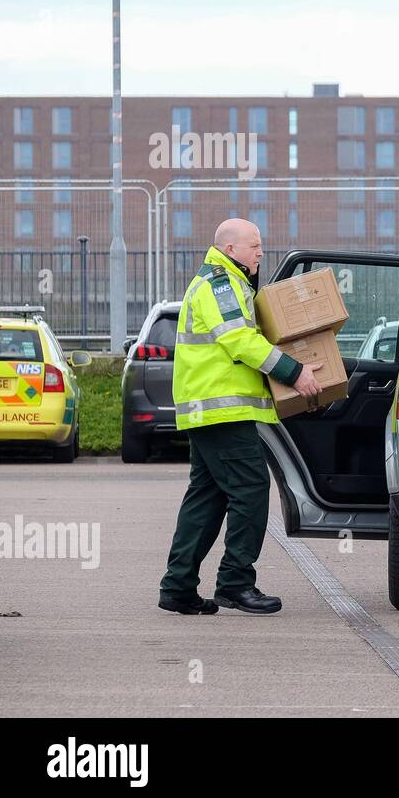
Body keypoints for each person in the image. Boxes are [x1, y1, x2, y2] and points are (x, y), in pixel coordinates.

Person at [157, 219, 322, 616]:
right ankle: (235, 582)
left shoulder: (229, 282)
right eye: (254, 246)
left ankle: (178, 587)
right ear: (231, 249)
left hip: (211, 410)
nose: (260, 253)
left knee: (207, 498)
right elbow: (239, 339)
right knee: (250, 488)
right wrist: (293, 371)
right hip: (221, 410)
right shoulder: (220, 283)